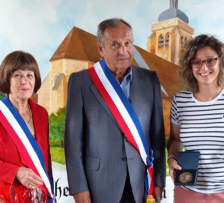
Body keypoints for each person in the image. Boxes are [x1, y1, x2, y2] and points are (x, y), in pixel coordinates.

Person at [64, 18, 166, 203]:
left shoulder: (150, 80)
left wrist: (159, 180)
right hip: (98, 184)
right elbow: (73, 140)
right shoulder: (80, 82)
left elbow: (157, 135)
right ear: (101, 49)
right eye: (115, 44)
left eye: (128, 43)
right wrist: (79, 187)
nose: (123, 50)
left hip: (139, 183)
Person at [167, 34, 224, 203]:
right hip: (189, 192)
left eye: (210, 60)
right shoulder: (180, 101)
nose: (204, 67)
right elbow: (175, 139)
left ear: (221, 61)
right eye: (197, 62)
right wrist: (172, 158)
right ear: (190, 66)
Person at [0, 51, 55, 203]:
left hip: (37, 197)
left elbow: (45, 161)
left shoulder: (41, 114)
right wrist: (16, 172)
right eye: (17, 75)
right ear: (6, 79)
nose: (25, 81)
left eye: (30, 75)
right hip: (5, 196)